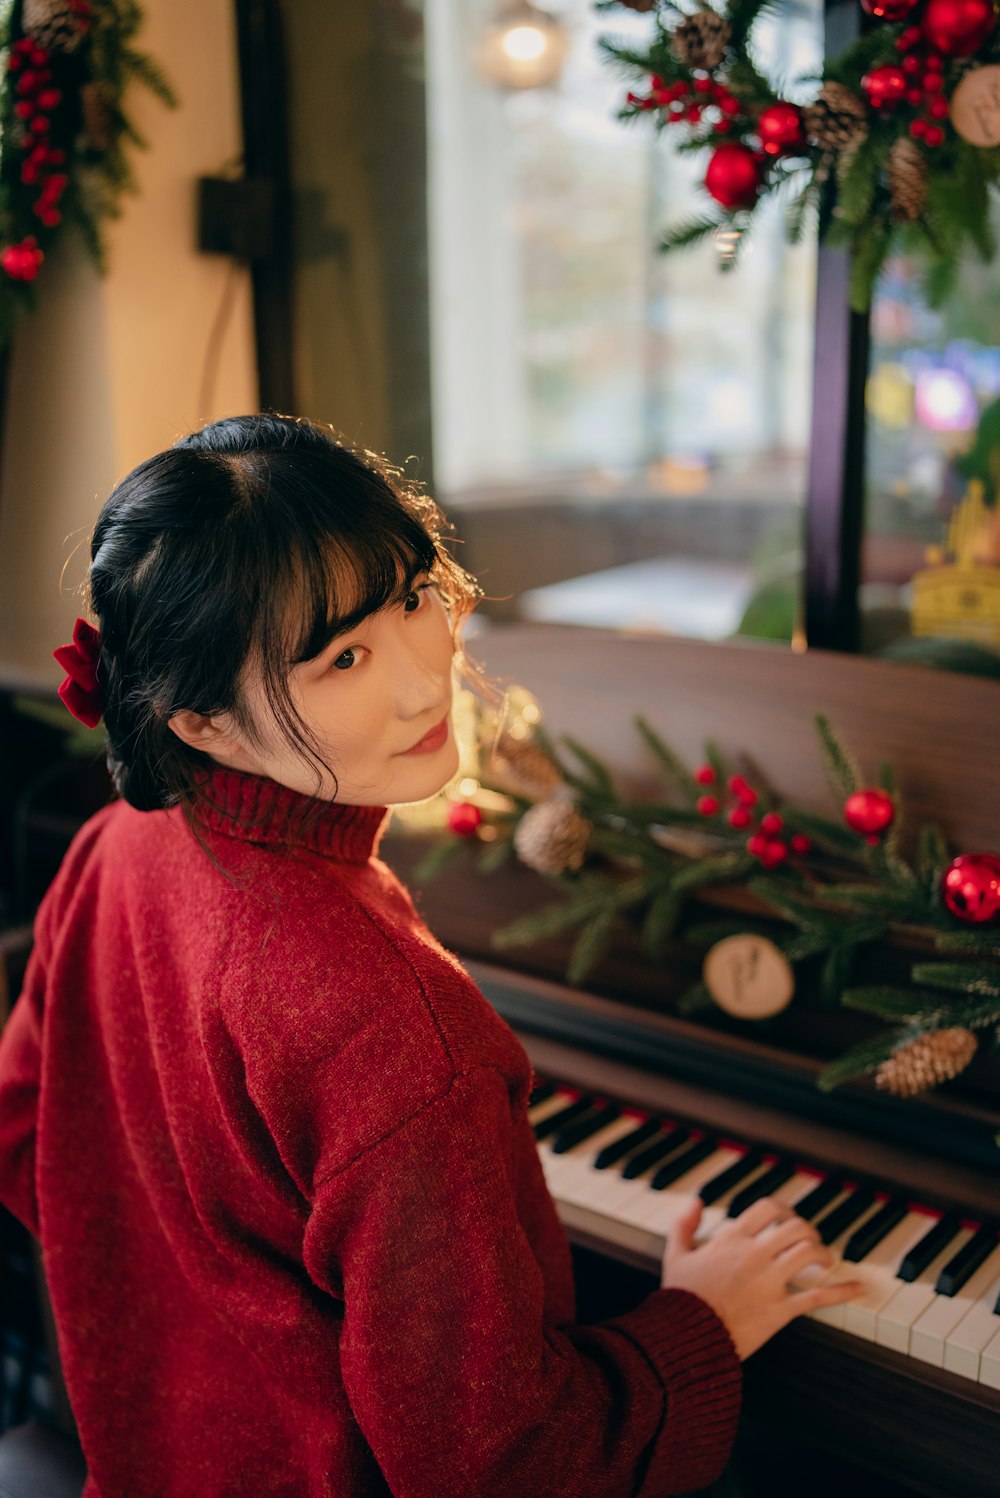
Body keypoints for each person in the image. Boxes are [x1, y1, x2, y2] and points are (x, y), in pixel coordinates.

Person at [0, 414, 861, 1497]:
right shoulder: (385, 1015)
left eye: (410, 596)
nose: (423, 679)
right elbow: (495, 1464)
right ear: (203, 724)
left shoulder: (117, 841)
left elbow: (25, 1117)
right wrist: (696, 1322)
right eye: (342, 657)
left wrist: (198, 1315)